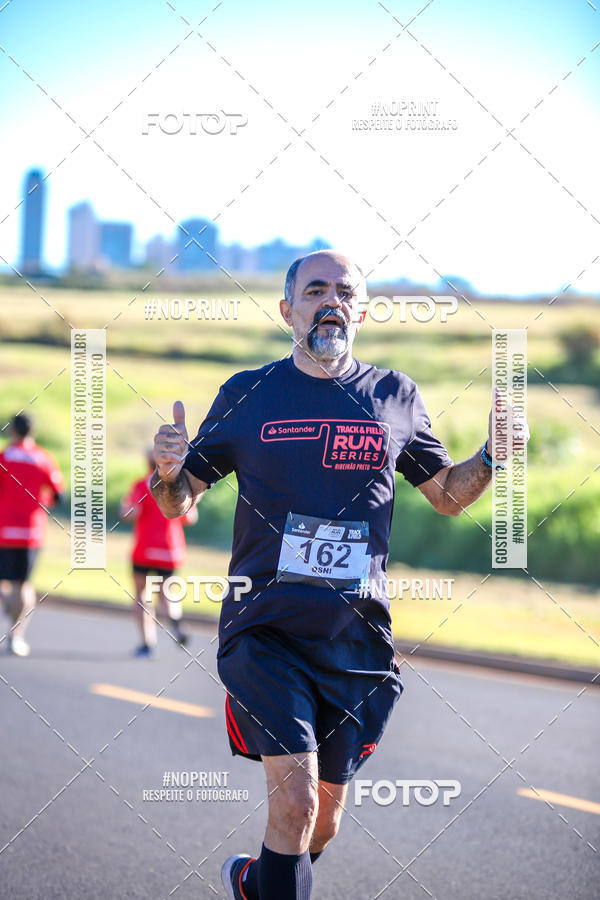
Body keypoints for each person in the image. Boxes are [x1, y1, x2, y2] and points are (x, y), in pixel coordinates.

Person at [150, 250, 529, 900]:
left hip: (354, 641)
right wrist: (166, 474)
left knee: (321, 822)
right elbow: (183, 498)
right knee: (294, 806)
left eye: (344, 290)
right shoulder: (248, 393)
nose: (331, 300)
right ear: (287, 309)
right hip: (265, 632)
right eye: (315, 289)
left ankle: (255, 881)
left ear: (361, 307)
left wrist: (493, 456)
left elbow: (445, 493)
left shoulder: (395, 395)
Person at [121, 448, 197, 657]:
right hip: (170, 550)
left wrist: (124, 506)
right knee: (167, 594)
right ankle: (176, 623)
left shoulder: (141, 484)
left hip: (144, 549)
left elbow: (130, 512)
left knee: (141, 596)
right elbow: (190, 518)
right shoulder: (177, 485)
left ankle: (147, 643)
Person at [0, 413, 65, 657]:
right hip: (31, 532)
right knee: (24, 585)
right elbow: (59, 495)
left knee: (7, 583)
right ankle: (16, 637)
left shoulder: (4, 456)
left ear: (13, 431)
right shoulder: (43, 458)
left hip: (4, 530)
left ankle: (9, 606)